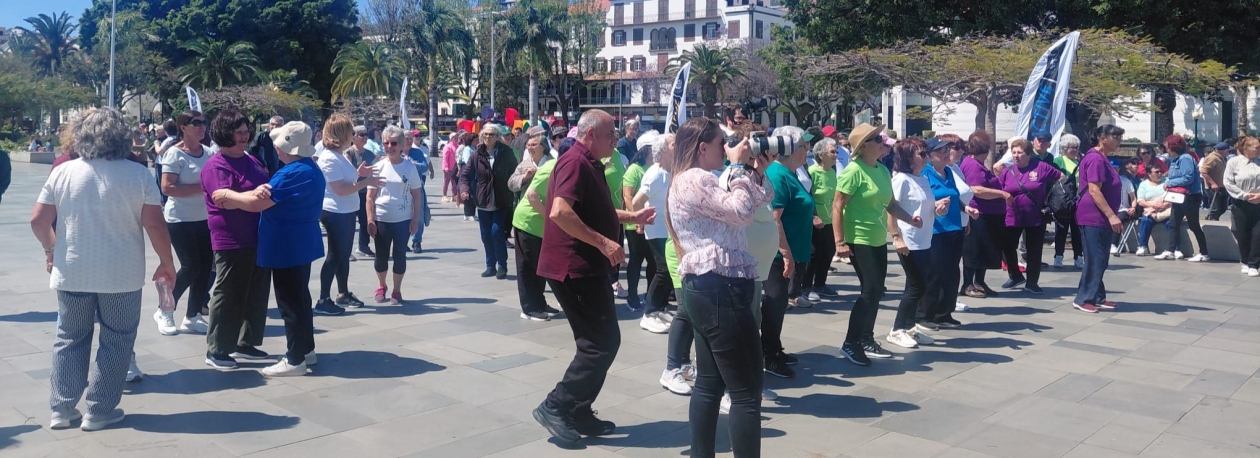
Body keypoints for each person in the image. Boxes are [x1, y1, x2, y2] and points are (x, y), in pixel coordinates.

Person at [33, 107, 175, 431]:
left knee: (69, 337)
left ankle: (62, 407)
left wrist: (50, 248)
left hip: (73, 270)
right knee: (117, 339)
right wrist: (167, 263)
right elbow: (155, 225)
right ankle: (99, 410)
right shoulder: (137, 174)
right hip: (121, 274)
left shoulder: (64, 172)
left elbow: (38, 220)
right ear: (122, 136)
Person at [531, 109, 655, 445]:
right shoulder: (574, 161)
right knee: (599, 345)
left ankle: (579, 408)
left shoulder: (588, 163)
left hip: (585, 268)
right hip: (574, 268)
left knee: (601, 342)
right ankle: (557, 405)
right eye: (610, 134)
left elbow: (594, 209)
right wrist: (602, 241)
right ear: (590, 135)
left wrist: (632, 215)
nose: (615, 140)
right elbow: (560, 211)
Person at [668, 117, 773, 458]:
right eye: (719, 145)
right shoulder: (695, 179)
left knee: (710, 383)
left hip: (709, 287)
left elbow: (763, 197)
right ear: (702, 148)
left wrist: (754, 170)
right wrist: (740, 166)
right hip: (720, 287)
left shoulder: (699, 179)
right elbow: (742, 212)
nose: (725, 149)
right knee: (745, 391)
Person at [832, 123, 922, 366]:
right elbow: (837, 206)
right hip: (858, 238)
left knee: (875, 292)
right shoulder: (854, 170)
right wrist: (839, 242)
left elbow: (890, 204)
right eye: (877, 139)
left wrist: (909, 219)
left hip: (877, 239)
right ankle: (851, 343)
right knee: (870, 291)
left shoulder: (881, 170)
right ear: (864, 147)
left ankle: (866, 339)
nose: (883, 142)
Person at [200, 108, 272, 369]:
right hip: (230, 238)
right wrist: (253, 198)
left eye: (246, 132)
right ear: (225, 134)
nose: (245, 136)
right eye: (239, 132)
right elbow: (222, 197)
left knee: (255, 291)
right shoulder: (216, 165)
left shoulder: (252, 160)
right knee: (228, 292)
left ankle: (245, 342)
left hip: (258, 236)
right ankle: (217, 349)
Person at [153, 110, 214, 336]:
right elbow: (167, 187)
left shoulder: (208, 153)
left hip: (205, 218)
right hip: (180, 219)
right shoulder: (174, 155)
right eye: (195, 123)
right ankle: (164, 310)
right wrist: (203, 188)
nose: (201, 127)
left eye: (203, 123)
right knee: (190, 267)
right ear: (183, 127)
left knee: (205, 267)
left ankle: (193, 315)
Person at [313, 114, 380, 315]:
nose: (354, 134)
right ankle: (323, 299)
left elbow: (346, 182)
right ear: (340, 134)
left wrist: (359, 173)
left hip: (345, 211)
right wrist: (366, 182)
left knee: (343, 255)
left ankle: (342, 293)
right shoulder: (328, 158)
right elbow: (340, 190)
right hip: (335, 212)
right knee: (335, 255)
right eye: (350, 131)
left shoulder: (339, 155)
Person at [760, 128, 812, 379]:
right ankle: (767, 355)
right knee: (774, 301)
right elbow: (774, 218)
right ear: (789, 149)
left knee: (778, 304)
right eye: (803, 145)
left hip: (788, 251)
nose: (807, 150)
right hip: (776, 254)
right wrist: (786, 253)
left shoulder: (790, 173)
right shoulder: (778, 175)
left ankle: (774, 348)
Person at [511, 137, 573, 321]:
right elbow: (531, 195)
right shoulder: (552, 169)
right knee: (528, 267)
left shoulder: (561, 167)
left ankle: (539, 302)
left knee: (540, 266)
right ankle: (529, 308)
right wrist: (549, 218)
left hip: (539, 226)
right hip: (528, 222)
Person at [886, 139, 939, 348]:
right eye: (922, 153)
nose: (926, 156)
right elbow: (890, 209)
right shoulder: (901, 180)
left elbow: (924, 207)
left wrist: (938, 209)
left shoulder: (923, 179)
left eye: (926, 152)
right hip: (909, 240)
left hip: (925, 238)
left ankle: (909, 327)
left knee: (916, 284)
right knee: (917, 286)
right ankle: (897, 329)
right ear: (909, 157)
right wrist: (896, 237)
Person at [917, 137, 974, 328]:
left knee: (951, 273)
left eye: (946, 150)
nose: (944, 154)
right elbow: (920, 201)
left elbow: (955, 197)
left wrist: (966, 210)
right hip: (934, 230)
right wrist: (935, 207)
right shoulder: (924, 173)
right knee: (933, 274)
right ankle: (925, 316)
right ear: (930, 155)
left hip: (954, 228)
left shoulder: (949, 172)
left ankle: (944, 314)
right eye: (940, 151)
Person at [366, 126, 424, 305]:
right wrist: (370, 219)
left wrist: (415, 220)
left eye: (393, 143)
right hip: (381, 218)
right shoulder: (377, 167)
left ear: (401, 145)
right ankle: (381, 285)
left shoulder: (409, 168)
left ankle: (397, 290)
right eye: (386, 143)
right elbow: (370, 196)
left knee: (399, 255)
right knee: (381, 256)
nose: (389, 146)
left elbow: (416, 195)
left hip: (403, 220)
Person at [997, 138, 1062, 294]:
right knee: (1006, 247)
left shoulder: (1041, 167)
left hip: (1036, 216)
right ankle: (1015, 275)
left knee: (1034, 250)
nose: (1016, 156)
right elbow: (1000, 190)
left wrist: (1050, 198)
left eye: (1020, 153)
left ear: (1028, 154)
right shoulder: (1007, 171)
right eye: (1013, 153)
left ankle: (1032, 282)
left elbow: (1061, 178)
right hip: (1013, 216)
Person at [1073, 125, 1126, 313]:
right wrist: (1112, 215)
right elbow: (1095, 190)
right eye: (1116, 136)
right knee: (1095, 257)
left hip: (1098, 215)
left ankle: (1097, 295)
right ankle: (1084, 298)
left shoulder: (1101, 157)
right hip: (1094, 215)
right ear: (1103, 138)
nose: (1120, 140)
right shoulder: (1095, 158)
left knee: (1100, 258)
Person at [460, 123, 519, 279]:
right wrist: (464, 189)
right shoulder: (476, 154)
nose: (487, 137)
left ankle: (502, 265)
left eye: (491, 134)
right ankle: (490, 265)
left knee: (497, 232)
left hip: (501, 200)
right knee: (486, 235)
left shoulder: (506, 152)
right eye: (485, 134)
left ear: (497, 136)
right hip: (483, 200)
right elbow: (465, 174)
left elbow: (515, 172)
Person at [959, 130, 1009, 298]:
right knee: (974, 251)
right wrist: (1002, 194)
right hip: (979, 214)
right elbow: (977, 190)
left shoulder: (976, 164)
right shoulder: (972, 165)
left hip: (989, 214)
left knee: (984, 251)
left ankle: (979, 282)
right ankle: (968, 284)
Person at [621, 131, 660, 318]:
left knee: (653, 262)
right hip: (636, 224)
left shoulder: (656, 168)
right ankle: (632, 296)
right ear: (646, 150)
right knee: (636, 261)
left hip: (651, 223)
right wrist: (636, 218)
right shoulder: (634, 169)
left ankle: (651, 297)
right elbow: (627, 195)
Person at [1157, 135, 1210, 262]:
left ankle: (1204, 252)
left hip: (1190, 196)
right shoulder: (1175, 159)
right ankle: (1170, 250)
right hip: (1178, 196)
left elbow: (1188, 178)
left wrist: (1169, 183)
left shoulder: (1185, 158)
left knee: (1194, 225)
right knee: (1174, 223)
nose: (1166, 150)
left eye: (1167, 147)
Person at [802, 138, 839, 302]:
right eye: (832, 152)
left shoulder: (832, 172)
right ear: (821, 154)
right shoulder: (812, 172)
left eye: (836, 151)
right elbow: (808, 196)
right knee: (814, 254)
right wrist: (814, 216)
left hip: (831, 220)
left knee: (829, 251)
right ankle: (806, 286)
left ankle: (820, 284)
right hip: (816, 221)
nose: (836, 155)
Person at [1224, 137, 1260, 277]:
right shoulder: (1234, 162)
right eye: (1256, 147)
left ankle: (1254, 263)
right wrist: (1244, 195)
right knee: (1242, 234)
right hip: (1241, 203)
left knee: (1257, 235)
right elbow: (1228, 182)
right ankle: (1245, 261)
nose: (1258, 150)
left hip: (1258, 203)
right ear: (1246, 149)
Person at [1052, 134, 1084, 269]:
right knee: (1062, 230)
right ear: (1065, 148)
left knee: (1077, 231)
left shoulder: (1080, 162)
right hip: (1064, 200)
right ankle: (1058, 256)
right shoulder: (1059, 161)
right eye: (1071, 147)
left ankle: (1078, 257)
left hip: (1077, 200)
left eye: (1076, 147)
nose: (1074, 150)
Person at [350, 125, 378, 258]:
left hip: (365, 192)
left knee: (365, 220)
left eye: (366, 134)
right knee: (349, 223)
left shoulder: (369, 153)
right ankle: (346, 250)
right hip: (351, 192)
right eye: (362, 134)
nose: (365, 137)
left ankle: (363, 246)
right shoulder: (348, 153)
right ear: (354, 137)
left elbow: (377, 166)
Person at [405, 131, 434, 254]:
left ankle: (417, 241)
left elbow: (424, 166)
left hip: (417, 188)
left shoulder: (417, 152)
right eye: (407, 138)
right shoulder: (396, 153)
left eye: (411, 138)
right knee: (403, 216)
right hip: (402, 189)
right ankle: (403, 241)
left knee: (419, 215)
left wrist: (414, 165)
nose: (410, 140)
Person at [1201, 142, 1230, 220]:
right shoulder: (1212, 158)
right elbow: (1203, 171)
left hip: (1221, 186)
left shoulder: (1220, 158)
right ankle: (1212, 222)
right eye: (1227, 151)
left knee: (1223, 207)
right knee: (1215, 208)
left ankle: (1213, 218)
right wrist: (1213, 183)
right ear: (1223, 151)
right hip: (1213, 188)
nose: (1228, 153)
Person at [456, 133, 478, 222]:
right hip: (469, 171)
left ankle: (472, 212)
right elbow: (468, 160)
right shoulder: (467, 149)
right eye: (476, 140)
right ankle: (468, 213)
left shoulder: (474, 149)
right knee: (468, 191)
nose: (478, 141)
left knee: (474, 192)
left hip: (474, 172)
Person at [441, 132, 461, 202]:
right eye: (454, 138)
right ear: (451, 139)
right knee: (446, 182)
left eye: (457, 137)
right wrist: (445, 167)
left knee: (454, 183)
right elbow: (445, 158)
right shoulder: (447, 147)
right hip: (448, 168)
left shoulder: (458, 146)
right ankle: (444, 196)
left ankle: (454, 196)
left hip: (455, 168)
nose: (456, 139)